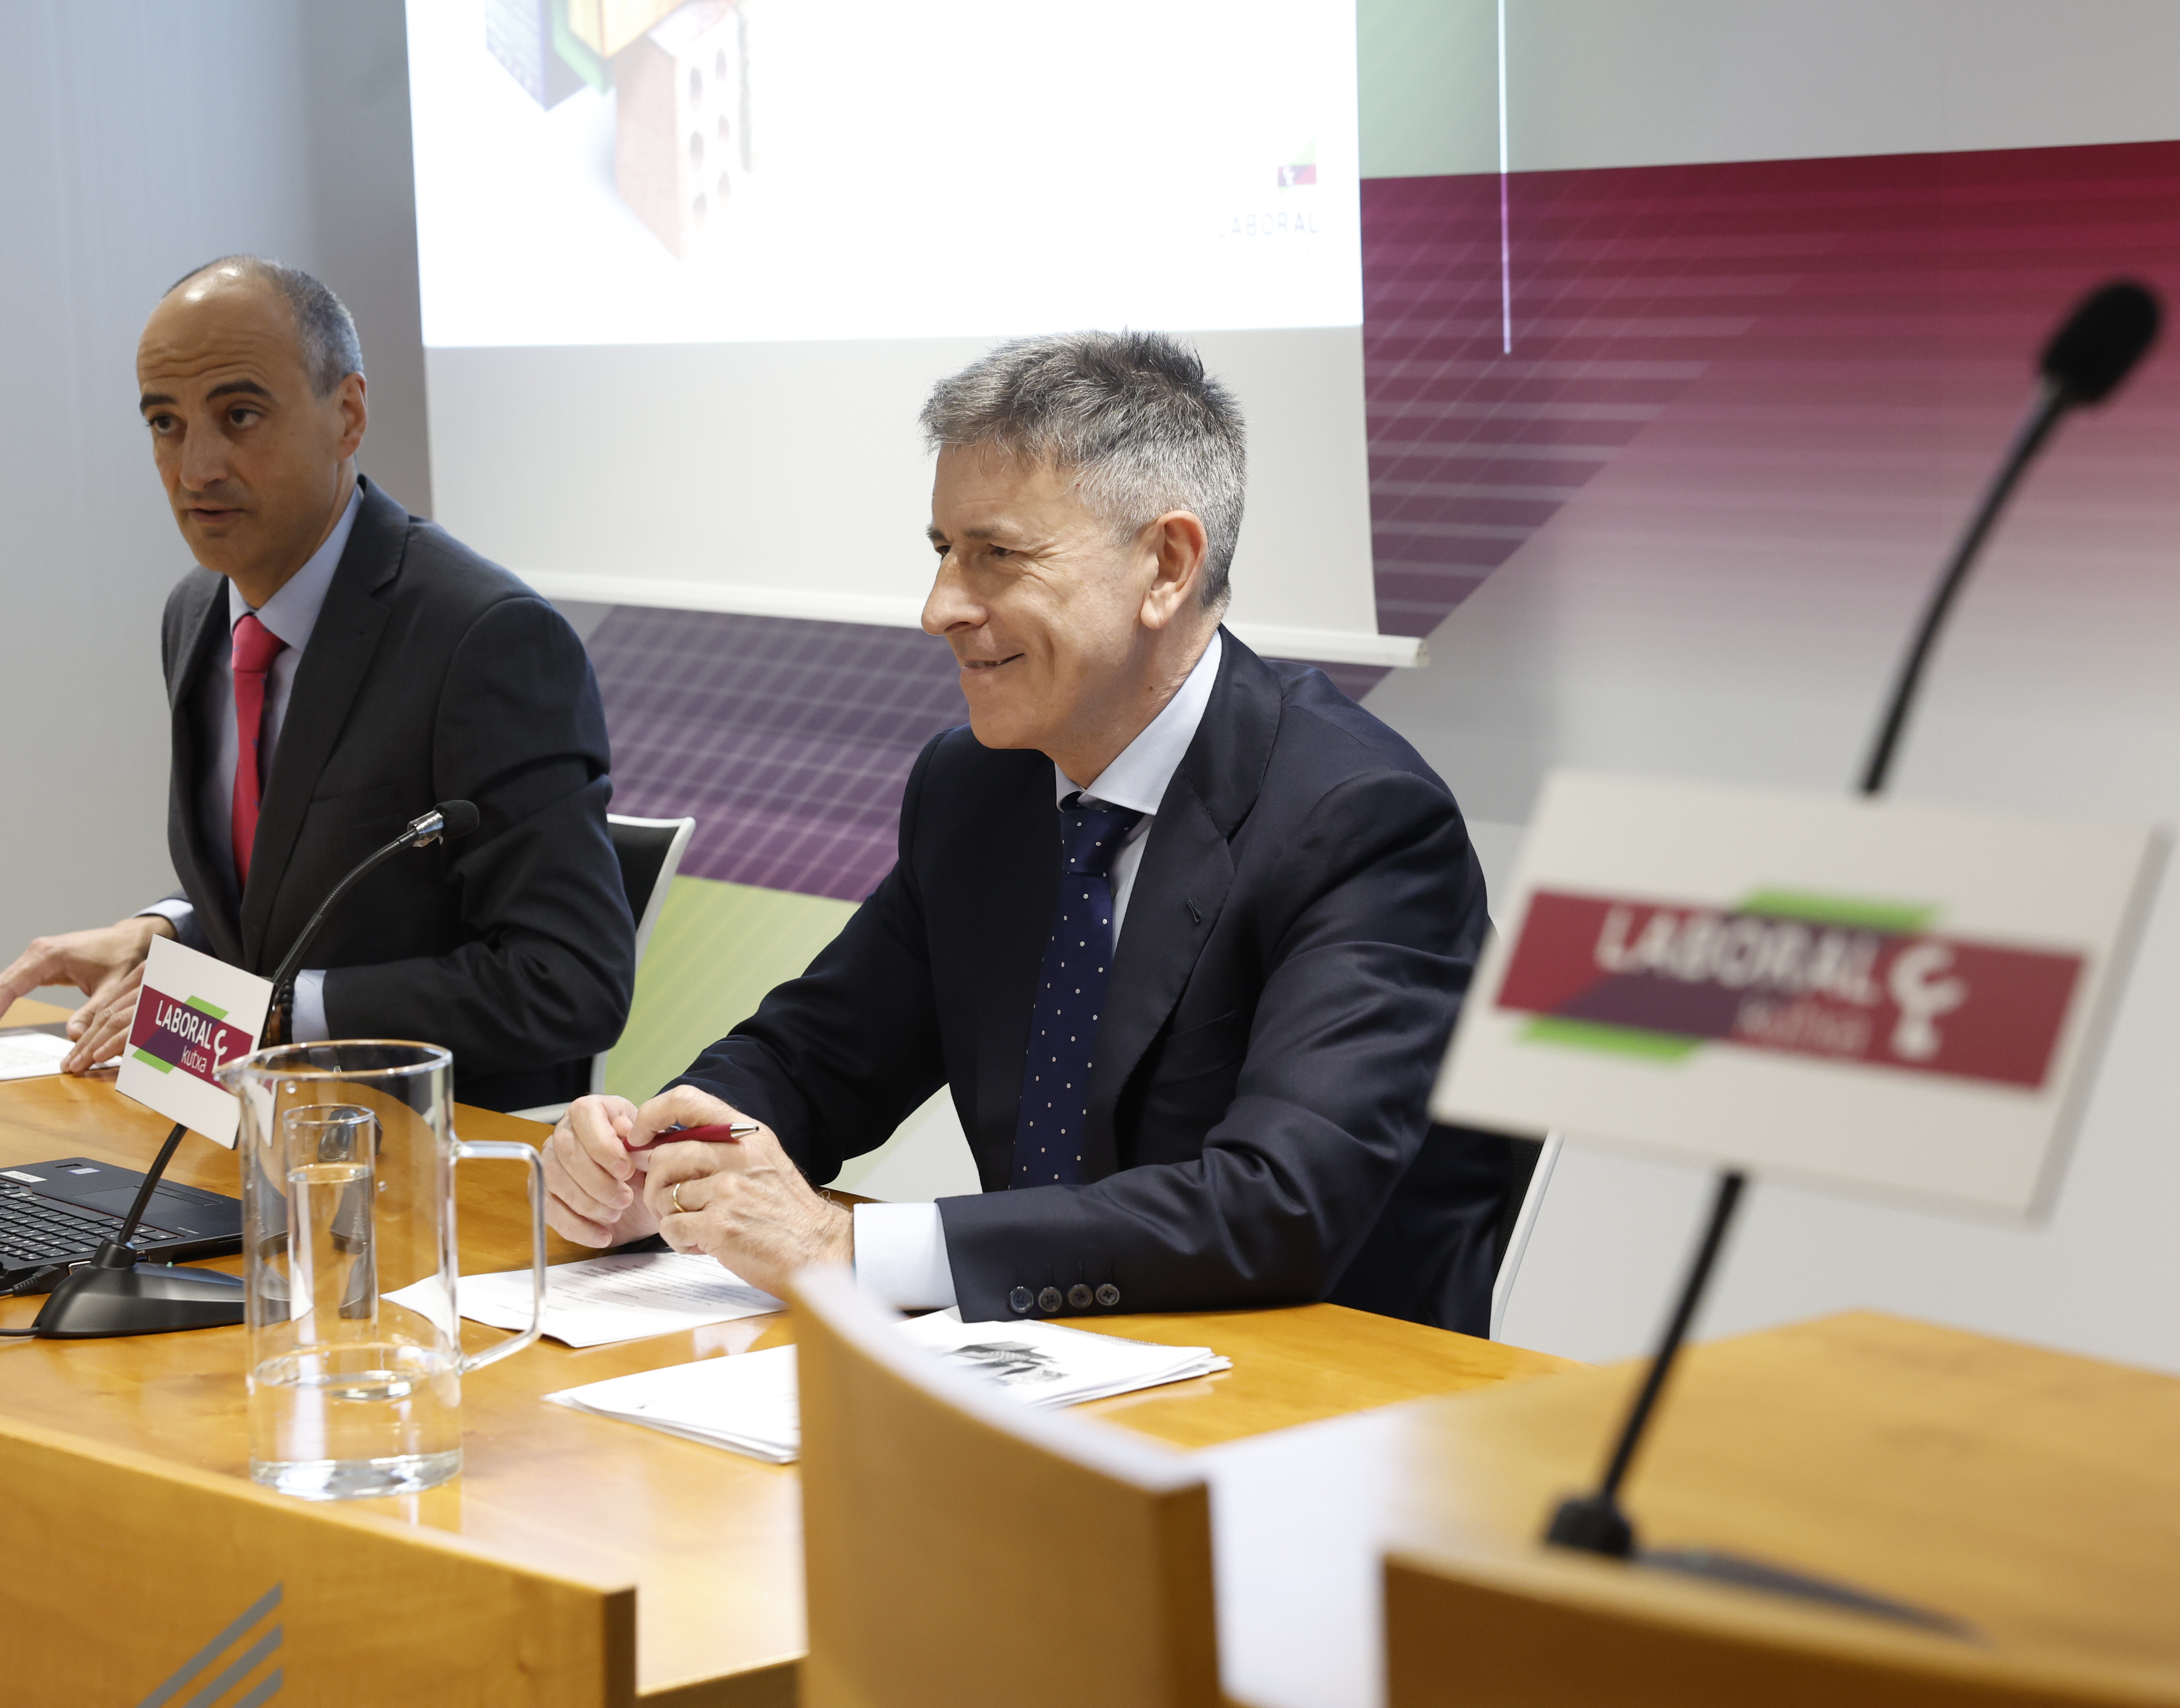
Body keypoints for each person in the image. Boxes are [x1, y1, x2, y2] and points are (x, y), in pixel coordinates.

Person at [543, 331, 1516, 1327]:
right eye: (943, 552)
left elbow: (1278, 1204)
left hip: (1313, 1398)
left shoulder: (1360, 819)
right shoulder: (977, 787)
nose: (939, 609)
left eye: (996, 555)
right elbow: (815, 1057)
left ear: (1167, 564)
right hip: (1040, 1369)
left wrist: (843, 1247)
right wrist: (663, 1152)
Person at [0, 257, 634, 1112]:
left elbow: (570, 978)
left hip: (431, 1162)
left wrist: (270, 1012)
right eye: (166, 423)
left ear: (346, 415)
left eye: (239, 416)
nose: (196, 466)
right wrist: (167, 932)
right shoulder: (196, 612)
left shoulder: (484, 639)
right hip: (242, 1132)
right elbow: (289, 902)